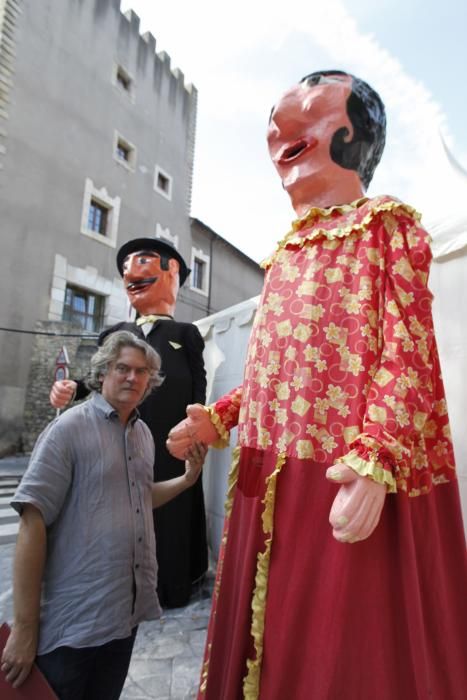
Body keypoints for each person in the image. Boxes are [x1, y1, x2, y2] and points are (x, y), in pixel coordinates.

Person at [167, 71, 467, 699]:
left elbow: (408, 351)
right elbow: (274, 374)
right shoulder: (282, 258)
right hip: (267, 475)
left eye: (304, 106)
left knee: (344, 653)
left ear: (352, 132)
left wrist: (376, 460)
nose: (279, 126)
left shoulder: (387, 227)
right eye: (276, 122)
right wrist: (218, 418)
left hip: (343, 480)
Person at [1, 331, 207, 699]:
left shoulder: (141, 434)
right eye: (122, 368)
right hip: (73, 625)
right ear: (102, 374)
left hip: (123, 618)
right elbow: (32, 523)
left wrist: (187, 479)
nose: (132, 377)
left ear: (150, 381)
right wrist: (25, 627)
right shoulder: (67, 430)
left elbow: (140, 498)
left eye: (141, 371)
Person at [50, 239, 208, 608]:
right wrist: (70, 388)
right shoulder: (116, 333)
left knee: (170, 519)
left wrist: (198, 429)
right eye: (125, 267)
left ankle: (172, 586)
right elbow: (93, 379)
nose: (131, 272)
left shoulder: (186, 335)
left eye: (143, 262)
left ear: (172, 275)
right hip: (120, 443)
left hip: (172, 447)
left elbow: (199, 391)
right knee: (117, 514)